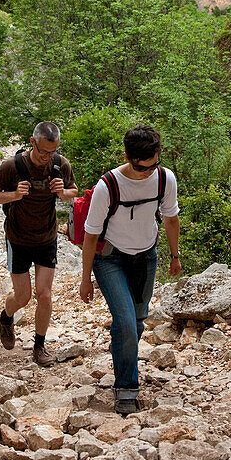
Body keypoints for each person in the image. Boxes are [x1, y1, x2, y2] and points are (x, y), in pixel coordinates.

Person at [80, 125, 181, 414]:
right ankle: (126, 388)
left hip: (146, 255)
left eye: (153, 166)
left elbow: (171, 218)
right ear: (128, 157)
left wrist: (175, 256)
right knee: (124, 322)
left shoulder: (164, 178)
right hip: (110, 259)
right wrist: (85, 278)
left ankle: (122, 353)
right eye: (141, 167)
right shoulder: (107, 186)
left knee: (136, 322)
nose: (147, 173)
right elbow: (90, 235)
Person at [0, 121, 78, 366]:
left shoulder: (60, 165)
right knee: (23, 297)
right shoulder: (12, 166)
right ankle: (6, 316)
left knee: (44, 295)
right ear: (33, 142)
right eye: (44, 151)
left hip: (47, 237)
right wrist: (13, 194)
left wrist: (62, 192)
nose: (48, 157)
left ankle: (39, 346)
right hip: (18, 238)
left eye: (53, 151)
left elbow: (74, 191)